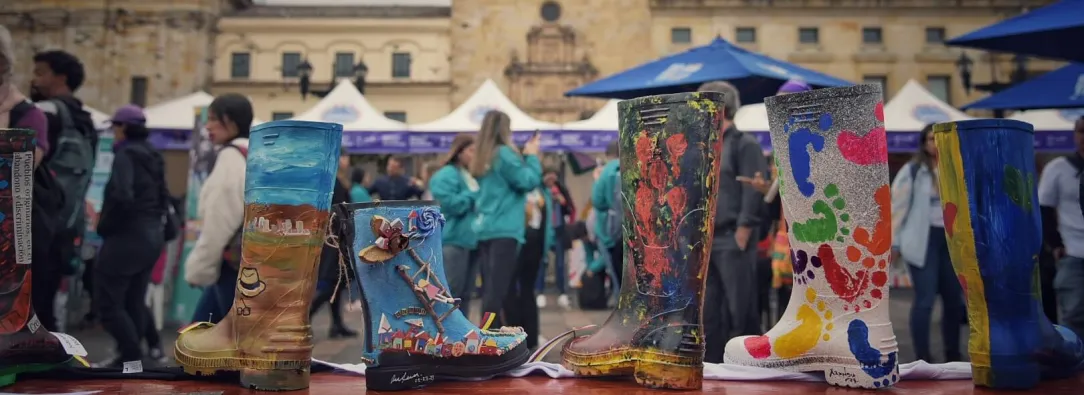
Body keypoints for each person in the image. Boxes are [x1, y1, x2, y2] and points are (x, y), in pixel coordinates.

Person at [698, 81, 769, 363]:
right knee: (710, 310)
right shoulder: (706, 143)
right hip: (708, 238)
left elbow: (754, 187)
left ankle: (748, 366)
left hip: (732, 236)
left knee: (741, 308)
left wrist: (744, 227)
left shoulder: (745, 143)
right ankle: (713, 365)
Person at [93, 104, 168, 366]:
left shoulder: (125, 155)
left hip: (127, 237)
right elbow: (164, 197)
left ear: (123, 128)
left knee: (108, 302)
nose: (113, 132)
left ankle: (130, 355)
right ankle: (133, 363)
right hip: (151, 237)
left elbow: (121, 196)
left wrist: (103, 226)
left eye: (115, 127)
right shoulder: (154, 155)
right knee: (135, 299)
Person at [890, 124, 964, 362]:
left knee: (954, 299)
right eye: (930, 139)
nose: (934, 143)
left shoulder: (955, 168)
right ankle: (923, 356)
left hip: (950, 238)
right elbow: (897, 208)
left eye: (938, 139)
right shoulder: (913, 170)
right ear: (923, 142)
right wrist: (895, 243)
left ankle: (953, 353)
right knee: (925, 298)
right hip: (921, 239)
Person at [184, 93, 253, 324]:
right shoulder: (253, 153)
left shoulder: (230, 158)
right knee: (202, 335)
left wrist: (199, 269)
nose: (208, 125)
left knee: (217, 342)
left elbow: (219, 222)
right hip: (248, 261)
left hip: (230, 264)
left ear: (231, 122)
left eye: (214, 119)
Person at [470, 110, 542, 327]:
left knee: (490, 289)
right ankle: (489, 336)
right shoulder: (503, 154)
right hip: (505, 230)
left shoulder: (482, 156)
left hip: (486, 228)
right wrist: (531, 156)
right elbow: (528, 181)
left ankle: (487, 333)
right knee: (497, 291)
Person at [1040, 116, 1084, 338]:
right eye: (1081, 131)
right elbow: (1044, 209)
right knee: (1074, 315)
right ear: (1075, 135)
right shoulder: (1058, 168)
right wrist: (1056, 245)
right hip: (1073, 252)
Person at [429, 134, 480, 316]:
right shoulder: (445, 175)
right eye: (471, 150)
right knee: (451, 292)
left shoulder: (468, 174)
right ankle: (445, 332)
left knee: (466, 293)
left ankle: (461, 333)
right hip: (453, 239)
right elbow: (451, 204)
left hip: (470, 240)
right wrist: (475, 195)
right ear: (459, 152)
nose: (475, 155)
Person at [310, 153, 358, 339]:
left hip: (335, 239)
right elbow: (337, 212)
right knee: (332, 283)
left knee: (337, 283)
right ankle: (305, 317)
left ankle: (336, 324)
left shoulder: (335, 181)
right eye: (343, 157)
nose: (347, 161)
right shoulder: (333, 182)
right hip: (334, 240)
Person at [505, 184, 552, 349]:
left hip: (528, 241)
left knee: (516, 289)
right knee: (516, 290)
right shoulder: (540, 191)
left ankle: (523, 335)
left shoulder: (532, 190)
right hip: (529, 240)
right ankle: (524, 335)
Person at [536, 168, 575, 309]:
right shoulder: (539, 191)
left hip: (558, 231)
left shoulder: (561, 191)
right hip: (544, 232)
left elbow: (570, 209)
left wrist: (562, 201)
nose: (551, 181)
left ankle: (562, 293)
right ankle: (539, 292)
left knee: (560, 263)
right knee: (542, 263)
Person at [591, 142, 621, 292]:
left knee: (616, 277)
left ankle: (620, 310)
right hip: (628, 231)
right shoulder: (629, 168)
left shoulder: (605, 173)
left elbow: (596, 200)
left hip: (608, 231)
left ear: (607, 155)